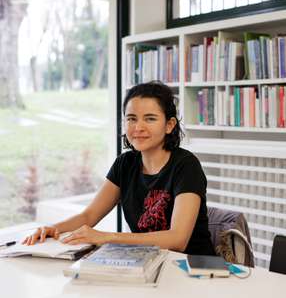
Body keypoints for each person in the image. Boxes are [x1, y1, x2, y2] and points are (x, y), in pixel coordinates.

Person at [23, 81, 215, 255]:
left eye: (150, 119)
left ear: (169, 125)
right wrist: (53, 229)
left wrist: (108, 237)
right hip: (148, 262)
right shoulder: (125, 164)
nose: (138, 127)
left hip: (191, 269)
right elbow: (89, 215)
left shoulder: (186, 166)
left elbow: (177, 240)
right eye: (131, 118)